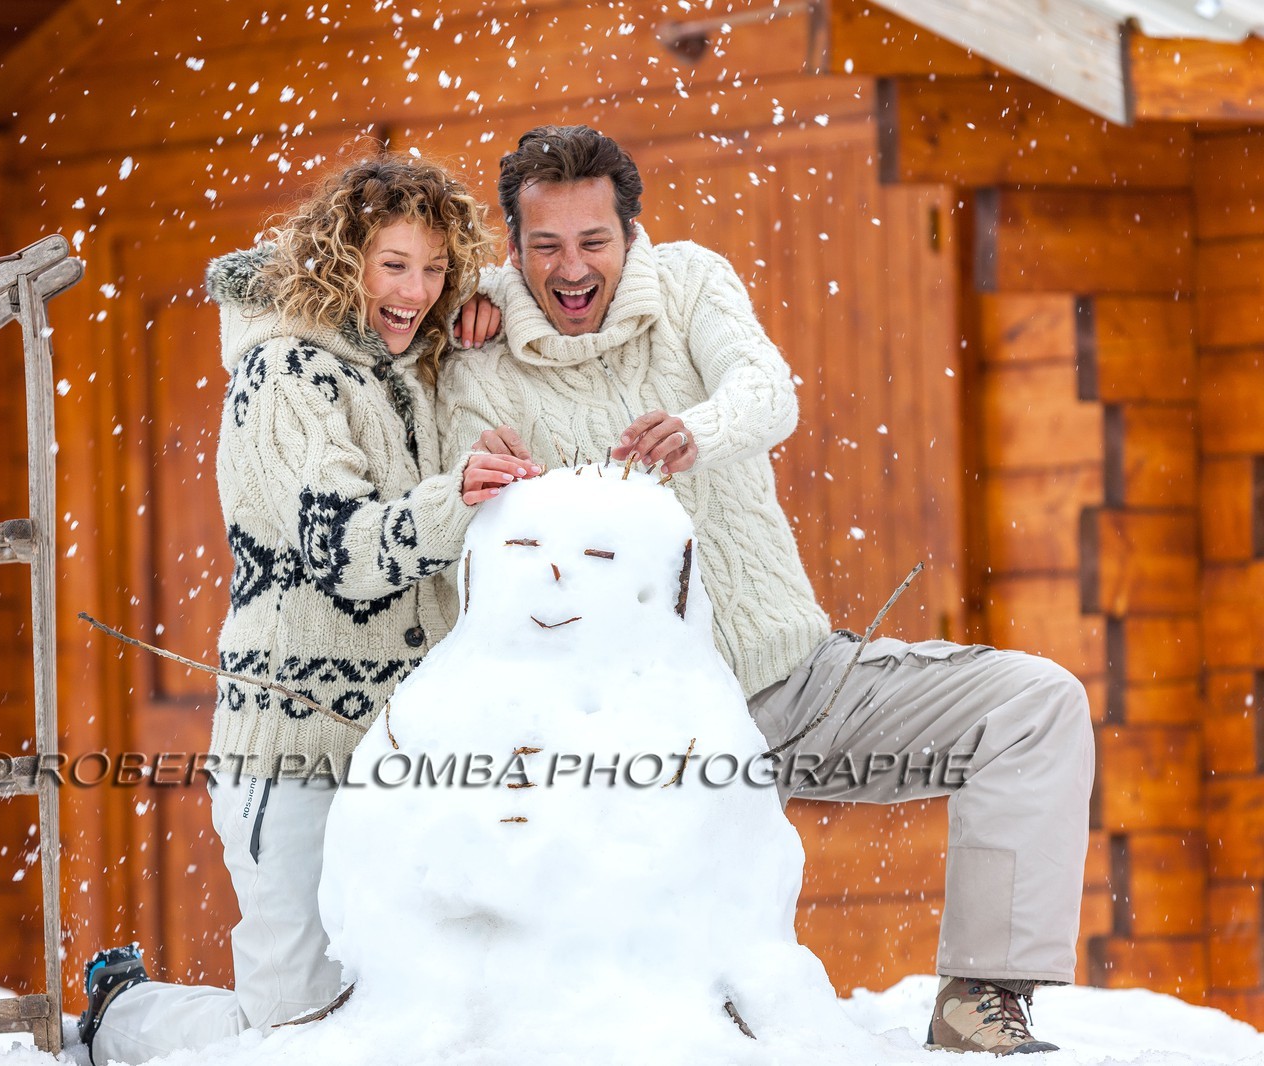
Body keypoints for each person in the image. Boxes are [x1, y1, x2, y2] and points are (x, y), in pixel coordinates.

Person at [440, 125, 1093, 1057]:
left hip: (796, 688)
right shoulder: (478, 346)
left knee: (1035, 706)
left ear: (633, 235)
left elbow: (768, 389)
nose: (572, 267)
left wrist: (698, 430)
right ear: (513, 250)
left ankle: (979, 1001)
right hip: (639, 741)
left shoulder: (693, 282)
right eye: (545, 246)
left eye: (594, 242)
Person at [77, 156, 530, 1065]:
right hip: (291, 750)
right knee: (293, 1031)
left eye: (437, 269)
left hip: (403, 756)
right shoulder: (281, 377)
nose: (417, 290)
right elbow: (340, 552)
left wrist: (486, 316)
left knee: (411, 1012)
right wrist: (457, 500)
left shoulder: (406, 369)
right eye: (395, 265)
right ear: (342, 260)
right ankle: (119, 1021)